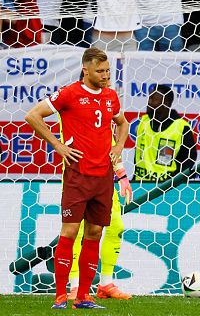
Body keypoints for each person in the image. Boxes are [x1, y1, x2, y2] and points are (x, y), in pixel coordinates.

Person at [24, 47, 131, 310]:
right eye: (100, 71)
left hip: (103, 176)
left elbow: (123, 123)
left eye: (107, 71)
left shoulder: (110, 96)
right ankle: (61, 295)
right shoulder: (70, 94)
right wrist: (58, 145)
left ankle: (84, 296)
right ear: (86, 70)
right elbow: (32, 116)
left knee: (95, 233)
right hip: (77, 175)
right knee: (70, 232)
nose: (106, 76)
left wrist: (117, 147)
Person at [134, 84, 196, 181]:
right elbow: (137, 155)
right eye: (149, 99)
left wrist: (173, 183)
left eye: (154, 100)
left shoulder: (181, 127)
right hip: (140, 184)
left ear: (166, 102)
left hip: (166, 188)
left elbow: (188, 161)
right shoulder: (143, 121)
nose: (149, 103)